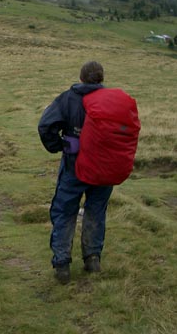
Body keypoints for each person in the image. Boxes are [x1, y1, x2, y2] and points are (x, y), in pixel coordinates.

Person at [38, 61, 113, 284]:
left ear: (81, 78)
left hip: (75, 166)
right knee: (96, 210)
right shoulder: (111, 100)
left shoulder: (68, 99)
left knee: (65, 211)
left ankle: (62, 265)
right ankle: (92, 259)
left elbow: (45, 125)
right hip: (103, 168)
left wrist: (59, 145)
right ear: (101, 78)